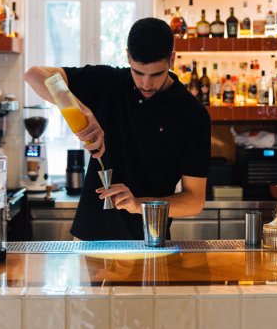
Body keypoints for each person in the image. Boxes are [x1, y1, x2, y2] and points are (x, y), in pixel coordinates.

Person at [24, 17, 210, 240]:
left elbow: (194, 201)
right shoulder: (107, 81)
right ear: (128, 57)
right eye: (138, 73)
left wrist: (137, 204)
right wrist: (83, 112)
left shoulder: (192, 113)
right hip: (89, 238)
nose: (146, 84)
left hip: (149, 242)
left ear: (172, 59)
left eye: (156, 74)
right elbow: (34, 75)